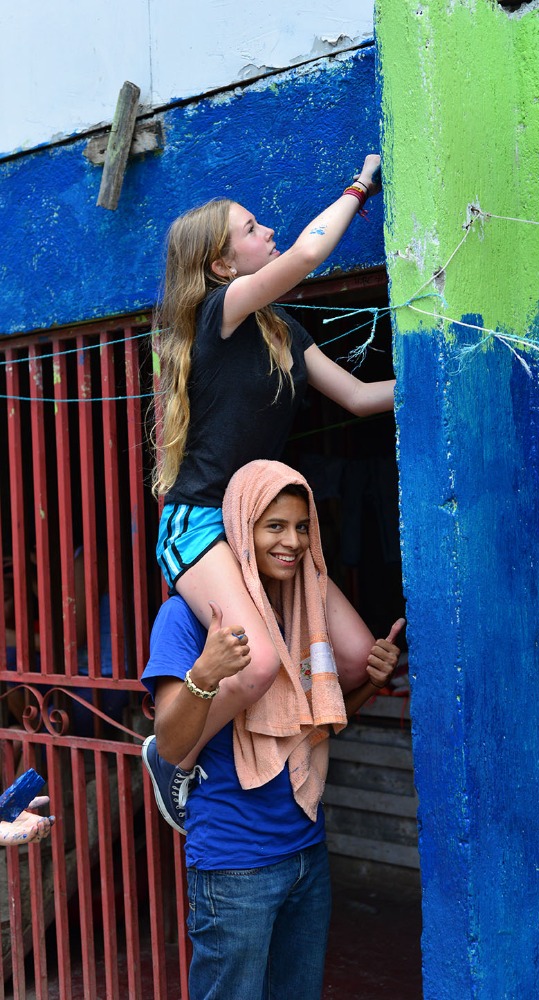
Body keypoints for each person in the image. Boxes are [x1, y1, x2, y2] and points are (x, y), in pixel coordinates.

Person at [151, 153, 394, 741]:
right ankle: (171, 755)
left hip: (254, 524)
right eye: (252, 229)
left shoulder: (281, 327)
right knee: (256, 664)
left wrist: (440, 384)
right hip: (200, 521)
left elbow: (359, 397)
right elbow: (309, 254)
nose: (269, 232)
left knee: (356, 658)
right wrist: (360, 185)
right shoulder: (220, 311)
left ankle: (283, 753)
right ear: (222, 264)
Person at [142, 461, 402, 1000]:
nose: (293, 542)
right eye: (274, 527)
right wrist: (203, 676)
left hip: (307, 852)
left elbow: (308, 728)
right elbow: (169, 742)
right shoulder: (186, 617)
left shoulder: (300, 615)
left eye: (302, 527)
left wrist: (370, 685)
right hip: (235, 865)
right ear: (241, 530)